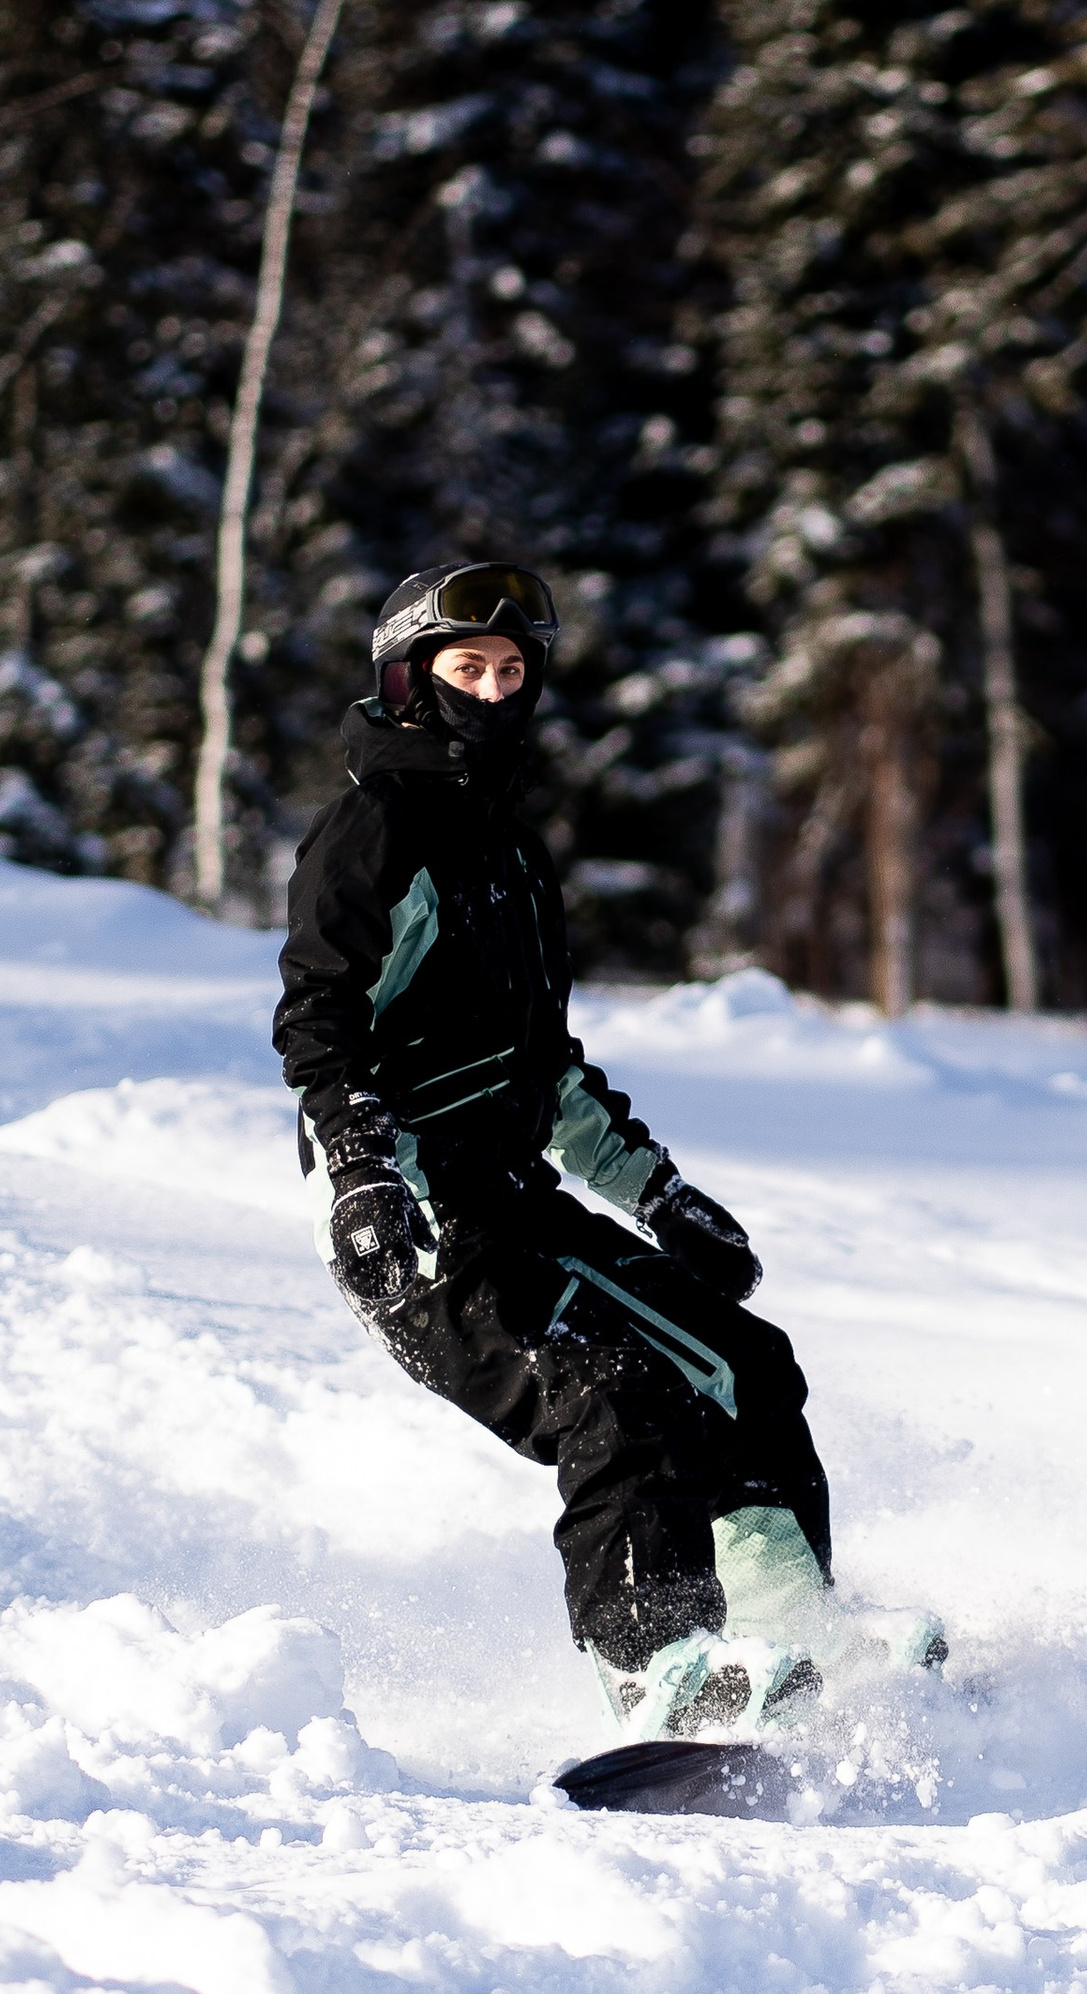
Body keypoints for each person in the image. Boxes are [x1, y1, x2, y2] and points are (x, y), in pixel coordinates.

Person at [273, 555, 915, 1737]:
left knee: (738, 1359)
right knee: (613, 1390)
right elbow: (319, 1025)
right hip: (418, 1220)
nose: (494, 689)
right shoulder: (377, 830)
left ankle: (797, 1631)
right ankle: (651, 1665)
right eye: (468, 666)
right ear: (410, 681)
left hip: (516, 1198)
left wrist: (658, 1196)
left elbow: (543, 1063)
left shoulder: (508, 847)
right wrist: (363, 1175)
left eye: (513, 670)